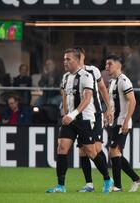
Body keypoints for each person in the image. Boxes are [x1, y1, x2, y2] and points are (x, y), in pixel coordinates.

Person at [46, 48, 113, 193]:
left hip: (85, 119)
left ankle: (107, 179)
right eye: (64, 59)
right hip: (69, 119)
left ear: (77, 60)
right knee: (61, 148)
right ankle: (60, 186)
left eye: (68, 59)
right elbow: (65, 97)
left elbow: (88, 98)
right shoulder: (65, 77)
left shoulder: (87, 76)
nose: (65, 61)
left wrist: (74, 113)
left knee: (90, 151)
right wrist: (65, 113)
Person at [72, 47, 113, 193]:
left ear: (82, 56)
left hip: (95, 115)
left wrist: (109, 108)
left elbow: (102, 89)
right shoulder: (70, 75)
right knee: (83, 151)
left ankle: (107, 179)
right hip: (80, 117)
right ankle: (89, 184)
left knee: (95, 149)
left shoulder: (93, 70)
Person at [105, 55, 140, 192]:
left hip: (122, 122)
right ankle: (136, 179)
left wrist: (126, 122)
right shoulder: (112, 82)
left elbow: (132, 101)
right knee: (115, 153)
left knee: (114, 151)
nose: (106, 67)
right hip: (115, 122)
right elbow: (112, 103)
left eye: (109, 64)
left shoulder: (124, 81)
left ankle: (118, 186)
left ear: (118, 65)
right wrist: (107, 114)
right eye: (106, 64)